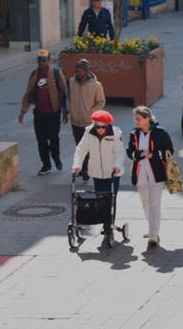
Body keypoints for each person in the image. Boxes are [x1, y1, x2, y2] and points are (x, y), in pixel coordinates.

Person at [72, 110, 124, 249]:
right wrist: (77, 164)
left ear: (108, 125)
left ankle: (108, 225)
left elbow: (120, 152)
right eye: (98, 127)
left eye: (103, 127)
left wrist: (117, 166)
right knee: (100, 199)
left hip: (112, 173)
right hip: (96, 172)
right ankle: (105, 222)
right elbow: (81, 149)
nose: (100, 130)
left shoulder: (115, 134)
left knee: (110, 199)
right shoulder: (89, 133)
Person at [126, 106, 174, 248]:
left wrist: (155, 154)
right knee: (145, 203)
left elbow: (169, 150)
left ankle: (153, 233)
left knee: (154, 203)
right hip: (140, 172)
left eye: (139, 119)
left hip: (156, 172)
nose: (137, 121)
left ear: (148, 118)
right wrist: (140, 154)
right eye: (136, 119)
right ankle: (151, 227)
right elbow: (130, 151)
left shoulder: (161, 132)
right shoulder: (134, 133)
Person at [19, 50, 68, 175]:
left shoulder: (56, 74)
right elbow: (28, 93)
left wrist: (65, 112)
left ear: (49, 61)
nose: (42, 63)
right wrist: (23, 112)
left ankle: (56, 158)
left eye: (44, 60)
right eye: (40, 60)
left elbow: (65, 92)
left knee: (53, 138)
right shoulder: (34, 75)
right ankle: (46, 165)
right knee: (41, 139)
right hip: (39, 112)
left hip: (53, 112)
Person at [67, 58, 106, 180]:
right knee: (79, 146)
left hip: (88, 122)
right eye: (76, 71)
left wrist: (91, 113)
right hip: (75, 121)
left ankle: (86, 170)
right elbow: (67, 97)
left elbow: (101, 102)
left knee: (88, 147)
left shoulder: (96, 85)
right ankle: (83, 168)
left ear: (86, 71)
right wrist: (69, 110)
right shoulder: (71, 82)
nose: (77, 73)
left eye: (79, 71)